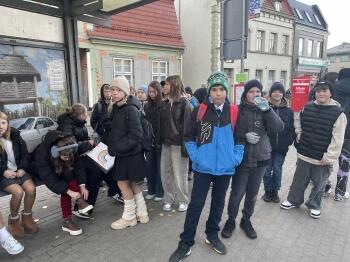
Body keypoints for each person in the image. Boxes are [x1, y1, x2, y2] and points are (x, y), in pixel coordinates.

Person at [169, 72, 244, 262]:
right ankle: (185, 242)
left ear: (226, 91)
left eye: (221, 89)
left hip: (225, 170)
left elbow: (240, 140)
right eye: (214, 89)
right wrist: (197, 158)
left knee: (218, 205)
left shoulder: (234, 112)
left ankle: (212, 235)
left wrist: (234, 158)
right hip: (203, 168)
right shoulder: (200, 111)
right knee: (195, 206)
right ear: (210, 91)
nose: (218, 93)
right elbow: (188, 137)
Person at [221, 79, 284, 239]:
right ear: (246, 93)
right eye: (251, 91)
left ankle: (246, 220)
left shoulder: (264, 109)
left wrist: (268, 109)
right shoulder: (237, 110)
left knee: (252, 194)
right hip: (242, 159)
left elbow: (279, 127)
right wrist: (243, 136)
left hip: (261, 158)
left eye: (258, 92)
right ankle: (231, 220)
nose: (255, 94)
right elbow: (229, 133)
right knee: (237, 193)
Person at [280, 81, 347, 219]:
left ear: (330, 93)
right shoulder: (308, 106)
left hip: (322, 157)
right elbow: (298, 119)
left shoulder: (339, 113)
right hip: (304, 152)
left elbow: (338, 138)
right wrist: (298, 132)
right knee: (299, 180)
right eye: (318, 91)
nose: (321, 93)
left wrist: (330, 156)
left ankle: (314, 205)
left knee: (319, 184)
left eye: (324, 90)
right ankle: (293, 200)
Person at [57, 104, 119, 218]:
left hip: (82, 155)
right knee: (95, 171)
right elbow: (70, 146)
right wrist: (86, 143)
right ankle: (84, 206)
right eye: (85, 113)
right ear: (79, 115)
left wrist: (88, 142)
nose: (87, 116)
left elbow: (80, 140)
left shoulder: (79, 123)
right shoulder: (67, 125)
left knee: (106, 165)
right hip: (71, 160)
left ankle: (115, 191)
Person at [108, 76, 149, 230]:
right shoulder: (118, 107)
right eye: (113, 89)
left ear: (125, 92)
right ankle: (142, 214)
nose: (115, 93)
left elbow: (137, 135)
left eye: (118, 90)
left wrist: (119, 147)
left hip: (129, 154)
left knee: (122, 183)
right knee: (131, 183)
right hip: (127, 153)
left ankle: (129, 217)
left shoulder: (130, 109)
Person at [34, 131, 93, 235]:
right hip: (42, 172)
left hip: (61, 168)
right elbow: (48, 177)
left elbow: (78, 167)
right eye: (65, 156)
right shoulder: (41, 153)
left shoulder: (69, 147)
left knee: (70, 178)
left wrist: (82, 185)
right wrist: (68, 191)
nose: (69, 158)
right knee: (65, 188)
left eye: (71, 155)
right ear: (55, 152)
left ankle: (73, 212)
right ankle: (68, 218)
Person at [0, 111, 38, 239]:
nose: (1, 126)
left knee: (31, 189)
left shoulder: (15, 135)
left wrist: (22, 168)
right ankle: (14, 220)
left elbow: (25, 154)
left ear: (8, 123)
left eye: (3, 123)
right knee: (18, 192)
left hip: (19, 171)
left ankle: (27, 217)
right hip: (3, 175)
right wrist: (3, 171)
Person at [160, 75, 192, 212]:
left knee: (180, 174)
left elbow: (188, 128)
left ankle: (183, 200)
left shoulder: (185, 104)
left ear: (174, 85)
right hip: (166, 144)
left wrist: (186, 148)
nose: (164, 87)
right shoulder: (165, 103)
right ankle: (168, 199)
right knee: (166, 173)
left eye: (166, 84)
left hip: (179, 145)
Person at [262, 82, 295, 203]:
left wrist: (288, 141)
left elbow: (292, 128)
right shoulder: (264, 108)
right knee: (266, 170)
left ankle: (275, 192)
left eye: (280, 92)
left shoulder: (288, 111)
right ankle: (267, 191)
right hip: (266, 147)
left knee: (277, 169)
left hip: (281, 147)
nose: (277, 94)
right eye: (275, 91)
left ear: (283, 94)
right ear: (271, 93)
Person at [144, 81, 164, 201]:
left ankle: (160, 192)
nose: (151, 94)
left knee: (160, 168)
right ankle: (151, 190)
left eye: (153, 91)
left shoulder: (163, 105)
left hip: (160, 141)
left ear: (158, 91)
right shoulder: (146, 106)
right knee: (150, 167)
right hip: (149, 141)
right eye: (149, 92)